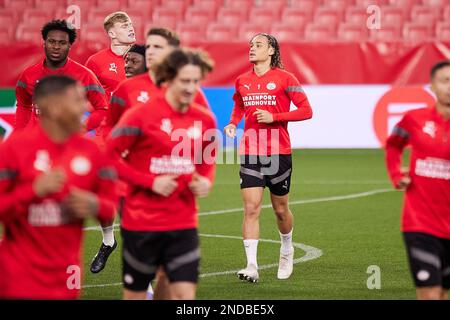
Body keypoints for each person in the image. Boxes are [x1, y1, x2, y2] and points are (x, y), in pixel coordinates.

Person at [106, 48, 217, 300]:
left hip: (183, 222)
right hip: (141, 223)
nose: (191, 88)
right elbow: (109, 158)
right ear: (167, 79)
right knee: (134, 296)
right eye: (185, 81)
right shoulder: (139, 116)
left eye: (196, 81)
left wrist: (205, 182)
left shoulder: (205, 120)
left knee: (183, 297)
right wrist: (149, 181)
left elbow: (207, 160)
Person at [0, 75, 117, 299]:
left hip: (67, 278)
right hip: (18, 277)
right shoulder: (13, 149)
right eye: (77, 100)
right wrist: (33, 192)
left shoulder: (91, 153)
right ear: (53, 107)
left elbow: (109, 206)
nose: (85, 106)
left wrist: (95, 204)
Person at [224, 33, 313, 283]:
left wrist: (275, 117)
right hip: (251, 151)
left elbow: (307, 111)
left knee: (280, 209)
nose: (252, 48)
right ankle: (251, 266)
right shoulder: (242, 80)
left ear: (272, 50)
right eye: (251, 45)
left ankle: (286, 248)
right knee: (251, 208)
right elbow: (239, 105)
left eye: (258, 45)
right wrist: (232, 123)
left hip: (279, 152)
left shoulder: (286, 79)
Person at [385, 61, 450, 300]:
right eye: (445, 81)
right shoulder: (415, 119)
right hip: (420, 223)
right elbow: (393, 145)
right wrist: (396, 173)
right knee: (430, 294)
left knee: (442, 292)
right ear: (432, 86)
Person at [107, 27, 209, 130]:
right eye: (148, 47)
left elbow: (205, 130)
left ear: (173, 53)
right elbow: (108, 127)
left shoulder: (190, 92)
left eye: (157, 47)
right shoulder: (126, 88)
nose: (150, 52)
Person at [15, 20, 108, 132]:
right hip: (38, 143)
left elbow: (103, 109)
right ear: (44, 43)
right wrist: (19, 132)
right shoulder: (28, 74)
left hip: (70, 143)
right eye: (52, 41)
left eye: (62, 43)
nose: (56, 47)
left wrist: (82, 127)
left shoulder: (85, 75)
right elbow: (23, 105)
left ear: (69, 45)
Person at [85, 12, 136, 98]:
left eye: (130, 25)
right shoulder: (95, 61)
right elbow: (85, 93)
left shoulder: (143, 58)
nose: (131, 29)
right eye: (124, 26)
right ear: (112, 34)